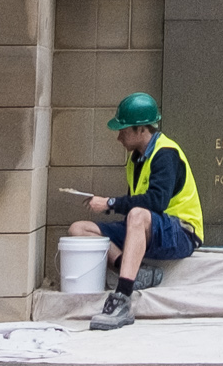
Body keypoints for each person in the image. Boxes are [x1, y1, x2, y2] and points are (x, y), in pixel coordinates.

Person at [71, 91, 204, 330]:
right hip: (153, 229)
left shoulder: (166, 153)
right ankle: (137, 273)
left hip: (181, 232)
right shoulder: (136, 159)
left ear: (142, 130)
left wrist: (110, 203)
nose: (119, 137)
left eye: (124, 130)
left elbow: (156, 203)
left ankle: (122, 297)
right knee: (79, 229)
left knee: (137, 214)